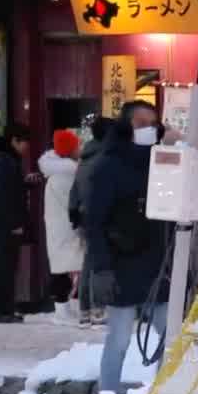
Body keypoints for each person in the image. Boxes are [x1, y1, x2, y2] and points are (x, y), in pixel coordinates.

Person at [84, 101, 170, 394]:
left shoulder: (164, 161)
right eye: (140, 122)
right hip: (121, 260)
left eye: (153, 122)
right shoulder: (108, 164)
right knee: (120, 336)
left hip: (158, 260)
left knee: (170, 334)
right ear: (126, 126)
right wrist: (102, 267)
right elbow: (93, 220)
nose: (148, 128)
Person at [0, 125, 32, 323]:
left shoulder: (5, 161)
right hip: (5, 225)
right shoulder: (4, 162)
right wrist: (14, 224)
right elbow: (4, 196)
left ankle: (3, 309)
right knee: (5, 268)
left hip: (1, 224)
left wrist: (25, 182)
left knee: (6, 267)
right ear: (14, 140)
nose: (26, 148)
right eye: (24, 143)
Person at [70, 116, 114, 326]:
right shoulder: (105, 157)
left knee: (89, 262)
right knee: (100, 263)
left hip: (85, 214)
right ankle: (98, 309)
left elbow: (75, 189)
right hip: (101, 215)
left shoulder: (86, 157)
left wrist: (74, 213)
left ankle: (85, 310)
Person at [40, 129, 85, 325]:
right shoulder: (67, 175)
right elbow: (76, 202)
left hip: (60, 227)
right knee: (66, 268)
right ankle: (62, 311)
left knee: (64, 267)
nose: (79, 149)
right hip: (67, 228)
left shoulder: (57, 174)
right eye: (76, 146)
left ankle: (64, 309)